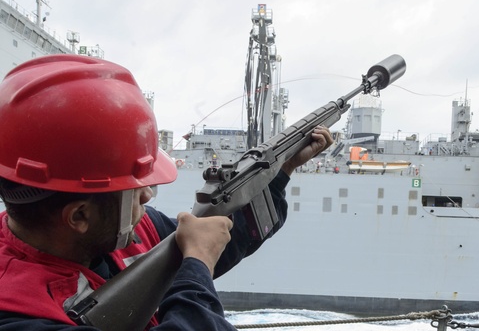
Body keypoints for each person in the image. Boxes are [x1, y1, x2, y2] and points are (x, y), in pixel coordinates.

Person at [0, 55, 333, 330]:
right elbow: (196, 262)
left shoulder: (129, 228)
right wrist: (197, 265)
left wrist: (280, 171)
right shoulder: (16, 315)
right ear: (80, 216)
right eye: (133, 190)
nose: (146, 195)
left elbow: (221, 239)